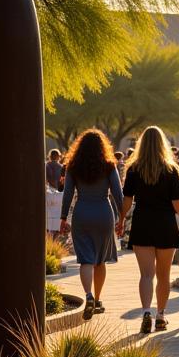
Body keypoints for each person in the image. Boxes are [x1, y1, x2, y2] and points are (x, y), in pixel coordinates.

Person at [119, 125, 179, 332]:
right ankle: (161, 316)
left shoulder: (134, 169)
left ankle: (146, 311)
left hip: (142, 222)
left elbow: (127, 200)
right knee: (163, 275)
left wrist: (120, 220)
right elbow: (177, 205)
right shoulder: (171, 170)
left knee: (146, 274)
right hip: (165, 223)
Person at [61, 129, 123, 321]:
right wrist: (123, 216)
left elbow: (68, 193)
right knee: (100, 260)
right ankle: (97, 299)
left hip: (82, 213)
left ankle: (87, 295)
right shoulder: (109, 165)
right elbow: (117, 193)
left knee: (86, 259)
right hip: (104, 213)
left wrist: (63, 217)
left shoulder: (73, 166)